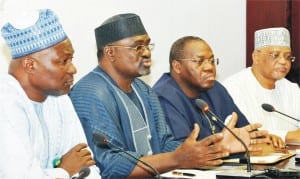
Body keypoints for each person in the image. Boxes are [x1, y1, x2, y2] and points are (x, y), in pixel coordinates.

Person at [69, 13, 231, 178]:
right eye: (138, 46)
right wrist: (177, 158)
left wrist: (206, 150)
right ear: (110, 53)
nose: (146, 52)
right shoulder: (89, 93)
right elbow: (109, 164)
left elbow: (164, 143)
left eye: (147, 45)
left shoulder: (144, 90)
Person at [0, 9, 101, 178]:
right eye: (63, 61)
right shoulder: (5, 102)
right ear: (30, 65)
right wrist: (63, 171)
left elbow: (86, 166)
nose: (73, 69)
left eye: (72, 59)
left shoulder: (58, 97)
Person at [152, 36, 274, 155]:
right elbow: (183, 154)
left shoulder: (215, 89)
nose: (209, 67)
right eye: (199, 62)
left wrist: (263, 139)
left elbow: (246, 132)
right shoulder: (163, 98)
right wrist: (221, 146)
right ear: (177, 66)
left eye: (212, 61)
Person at [222, 27, 300, 145]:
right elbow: (239, 132)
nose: (283, 61)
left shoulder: (291, 88)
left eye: (288, 57)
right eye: (275, 55)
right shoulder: (233, 87)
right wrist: (287, 136)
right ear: (256, 57)